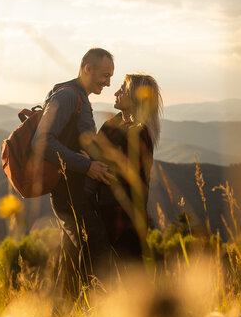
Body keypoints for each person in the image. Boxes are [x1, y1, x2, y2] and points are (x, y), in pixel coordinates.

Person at [31, 47, 115, 300]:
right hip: (69, 193)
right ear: (87, 68)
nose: (108, 83)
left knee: (69, 262)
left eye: (111, 77)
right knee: (96, 248)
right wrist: (87, 166)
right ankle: (93, 316)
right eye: (105, 75)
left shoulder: (78, 96)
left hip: (76, 193)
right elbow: (41, 142)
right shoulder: (67, 96)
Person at [83, 74, 162, 276]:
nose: (116, 93)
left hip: (125, 221)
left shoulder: (140, 133)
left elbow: (126, 174)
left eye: (123, 90)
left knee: (129, 285)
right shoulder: (112, 125)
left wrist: (90, 164)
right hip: (101, 214)